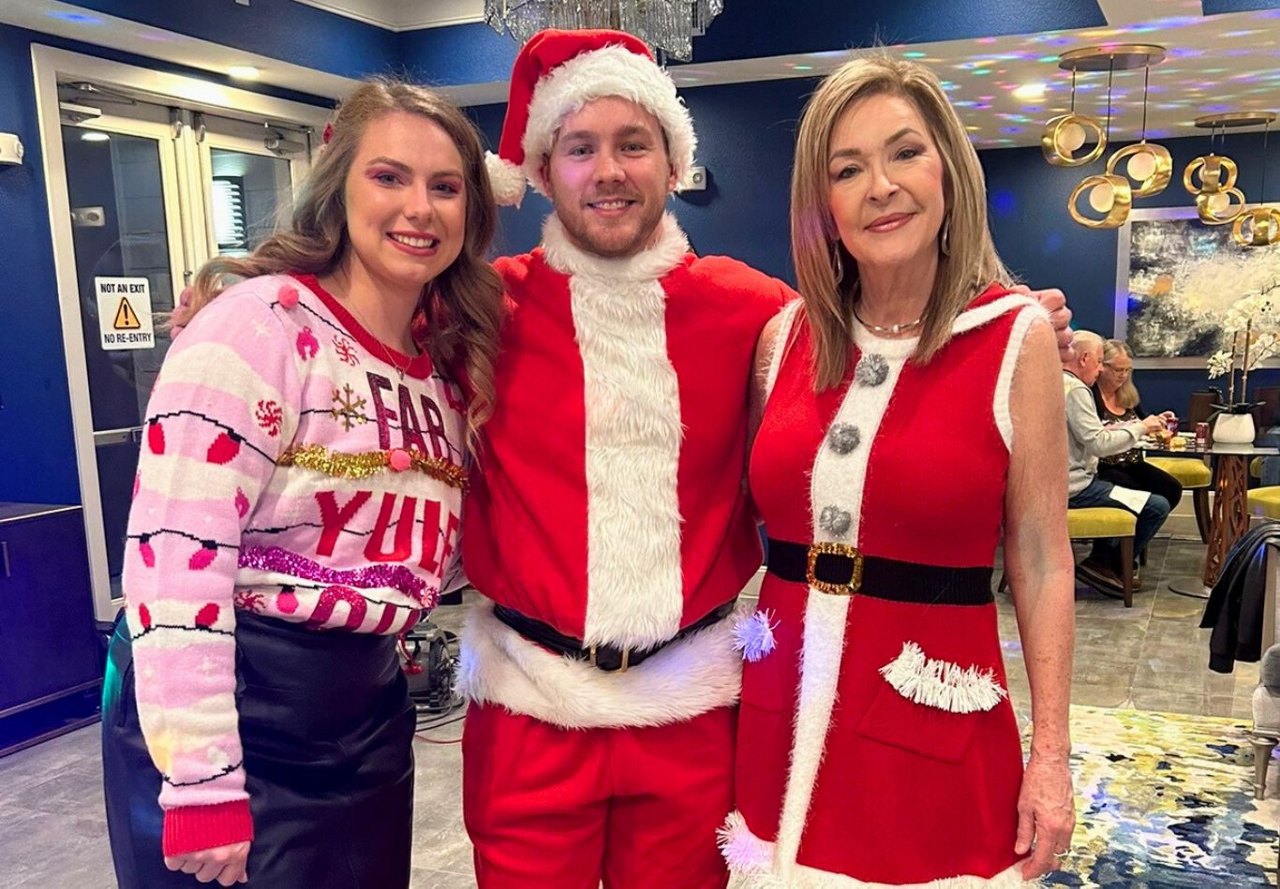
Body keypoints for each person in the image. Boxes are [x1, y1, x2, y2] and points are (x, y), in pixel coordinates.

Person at [457, 29, 1074, 888]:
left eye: (634, 144)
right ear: (541, 166)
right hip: (533, 703)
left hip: (700, 709)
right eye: (580, 148)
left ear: (673, 163)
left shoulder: (756, 313)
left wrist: (1021, 321)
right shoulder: (486, 307)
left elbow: (1024, 525)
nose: (608, 172)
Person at [101, 78, 504, 889]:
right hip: (241, 707)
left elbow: (423, 554)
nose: (418, 208)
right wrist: (203, 779)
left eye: (445, 186)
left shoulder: (449, 371)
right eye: (389, 176)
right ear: (338, 184)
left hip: (367, 713)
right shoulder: (258, 325)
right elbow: (175, 562)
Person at [717, 54, 1077, 885]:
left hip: (928, 720)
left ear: (949, 169)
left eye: (905, 153)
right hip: (779, 712)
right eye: (848, 169)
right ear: (824, 203)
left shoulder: (1015, 338)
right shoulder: (785, 339)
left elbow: (1042, 554)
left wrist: (1051, 753)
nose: (881, 186)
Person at [1064, 331, 1171, 596]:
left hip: (1056, 483)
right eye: (1100, 362)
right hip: (1077, 488)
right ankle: (1104, 563)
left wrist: (1135, 425)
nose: (1100, 369)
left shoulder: (1054, 382)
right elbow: (1098, 444)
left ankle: (1106, 563)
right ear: (1085, 358)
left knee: (1158, 487)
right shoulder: (1077, 389)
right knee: (1156, 506)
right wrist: (1141, 428)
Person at [1093, 338, 1182, 511]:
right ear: (1102, 366)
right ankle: (1117, 536)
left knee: (1171, 489)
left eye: (1127, 370)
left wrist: (1157, 421)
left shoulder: (1127, 396)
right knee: (1139, 494)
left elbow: (1141, 423)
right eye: (1118, 369)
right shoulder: (1090, 396)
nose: (1123, 375)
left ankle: (1135, 535)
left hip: (1132, 462)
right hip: (1103, 467)